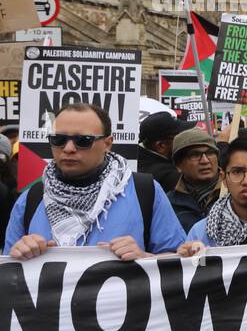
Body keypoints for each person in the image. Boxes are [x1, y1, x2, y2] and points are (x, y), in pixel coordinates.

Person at [6, 102, 187, 260]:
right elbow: (7, 273)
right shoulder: (31, 198)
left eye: (83, 141)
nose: (68, 148)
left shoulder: (144, 191)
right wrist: (18, 255)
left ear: (107, 144)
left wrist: (145, 258)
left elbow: (180, 261)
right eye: (58, 139)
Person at [167, 128, 221, 233]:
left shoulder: (235, 195)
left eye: (210, 153)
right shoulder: (168, 204)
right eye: (195, 155)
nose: (205, 161)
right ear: (178, 165)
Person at [137, 111, 191, 192]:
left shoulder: (131, 159)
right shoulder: (168, 176)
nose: (185, 140)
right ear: (161, 146)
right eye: (180, 137)